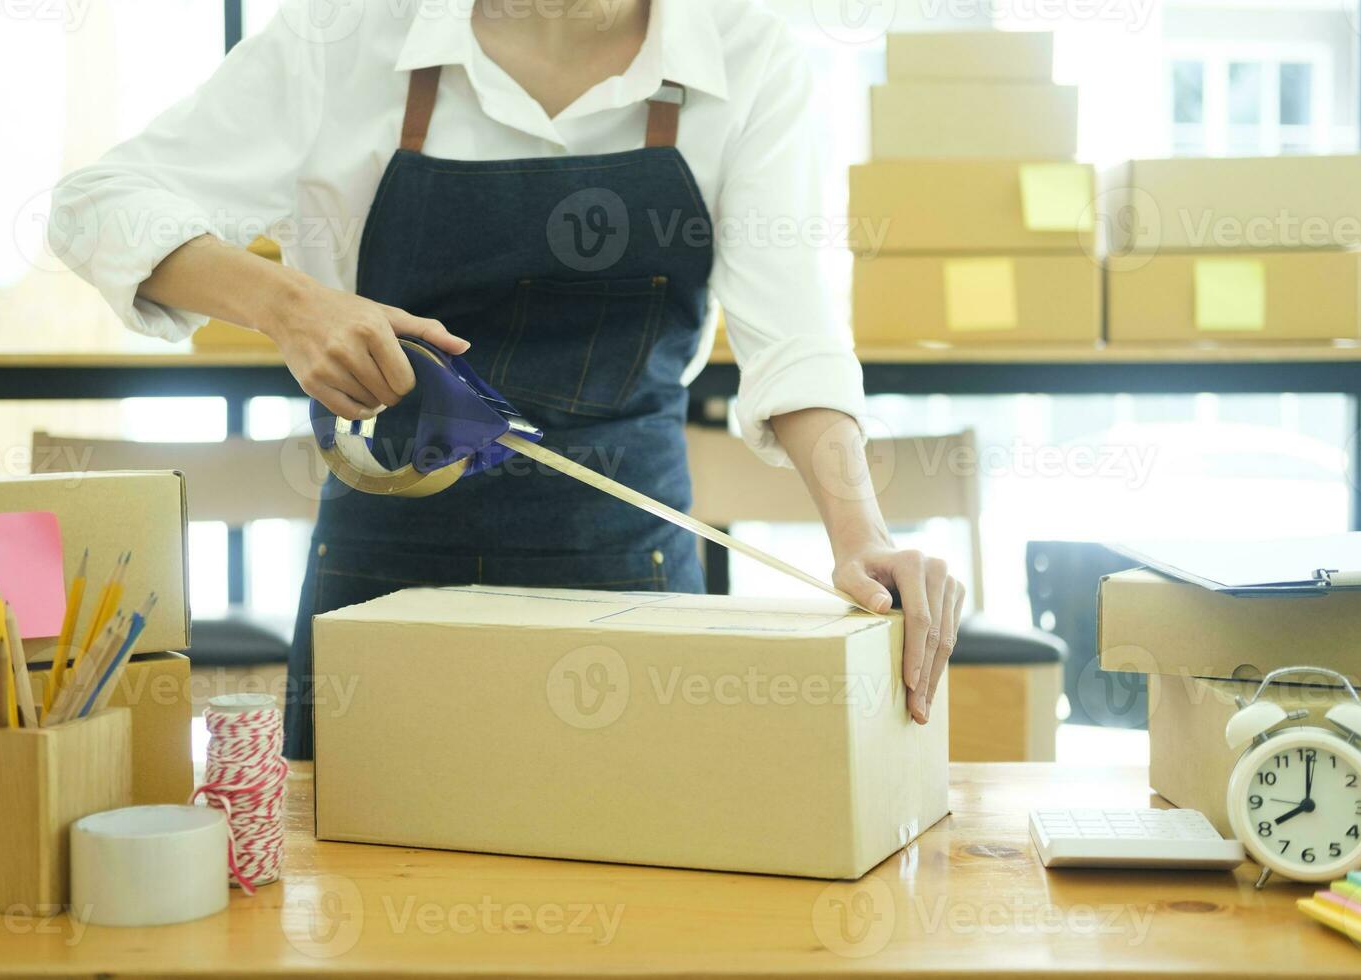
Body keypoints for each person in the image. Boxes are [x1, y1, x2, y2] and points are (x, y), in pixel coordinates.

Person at [51, 0, 965, 759]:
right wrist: (291, 305)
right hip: (381, 598)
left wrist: (862, 533)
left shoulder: (748, 51)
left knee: (646, 904)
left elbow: (796, 340)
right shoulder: (347, 37)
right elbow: (98, 206)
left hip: (632, 584)